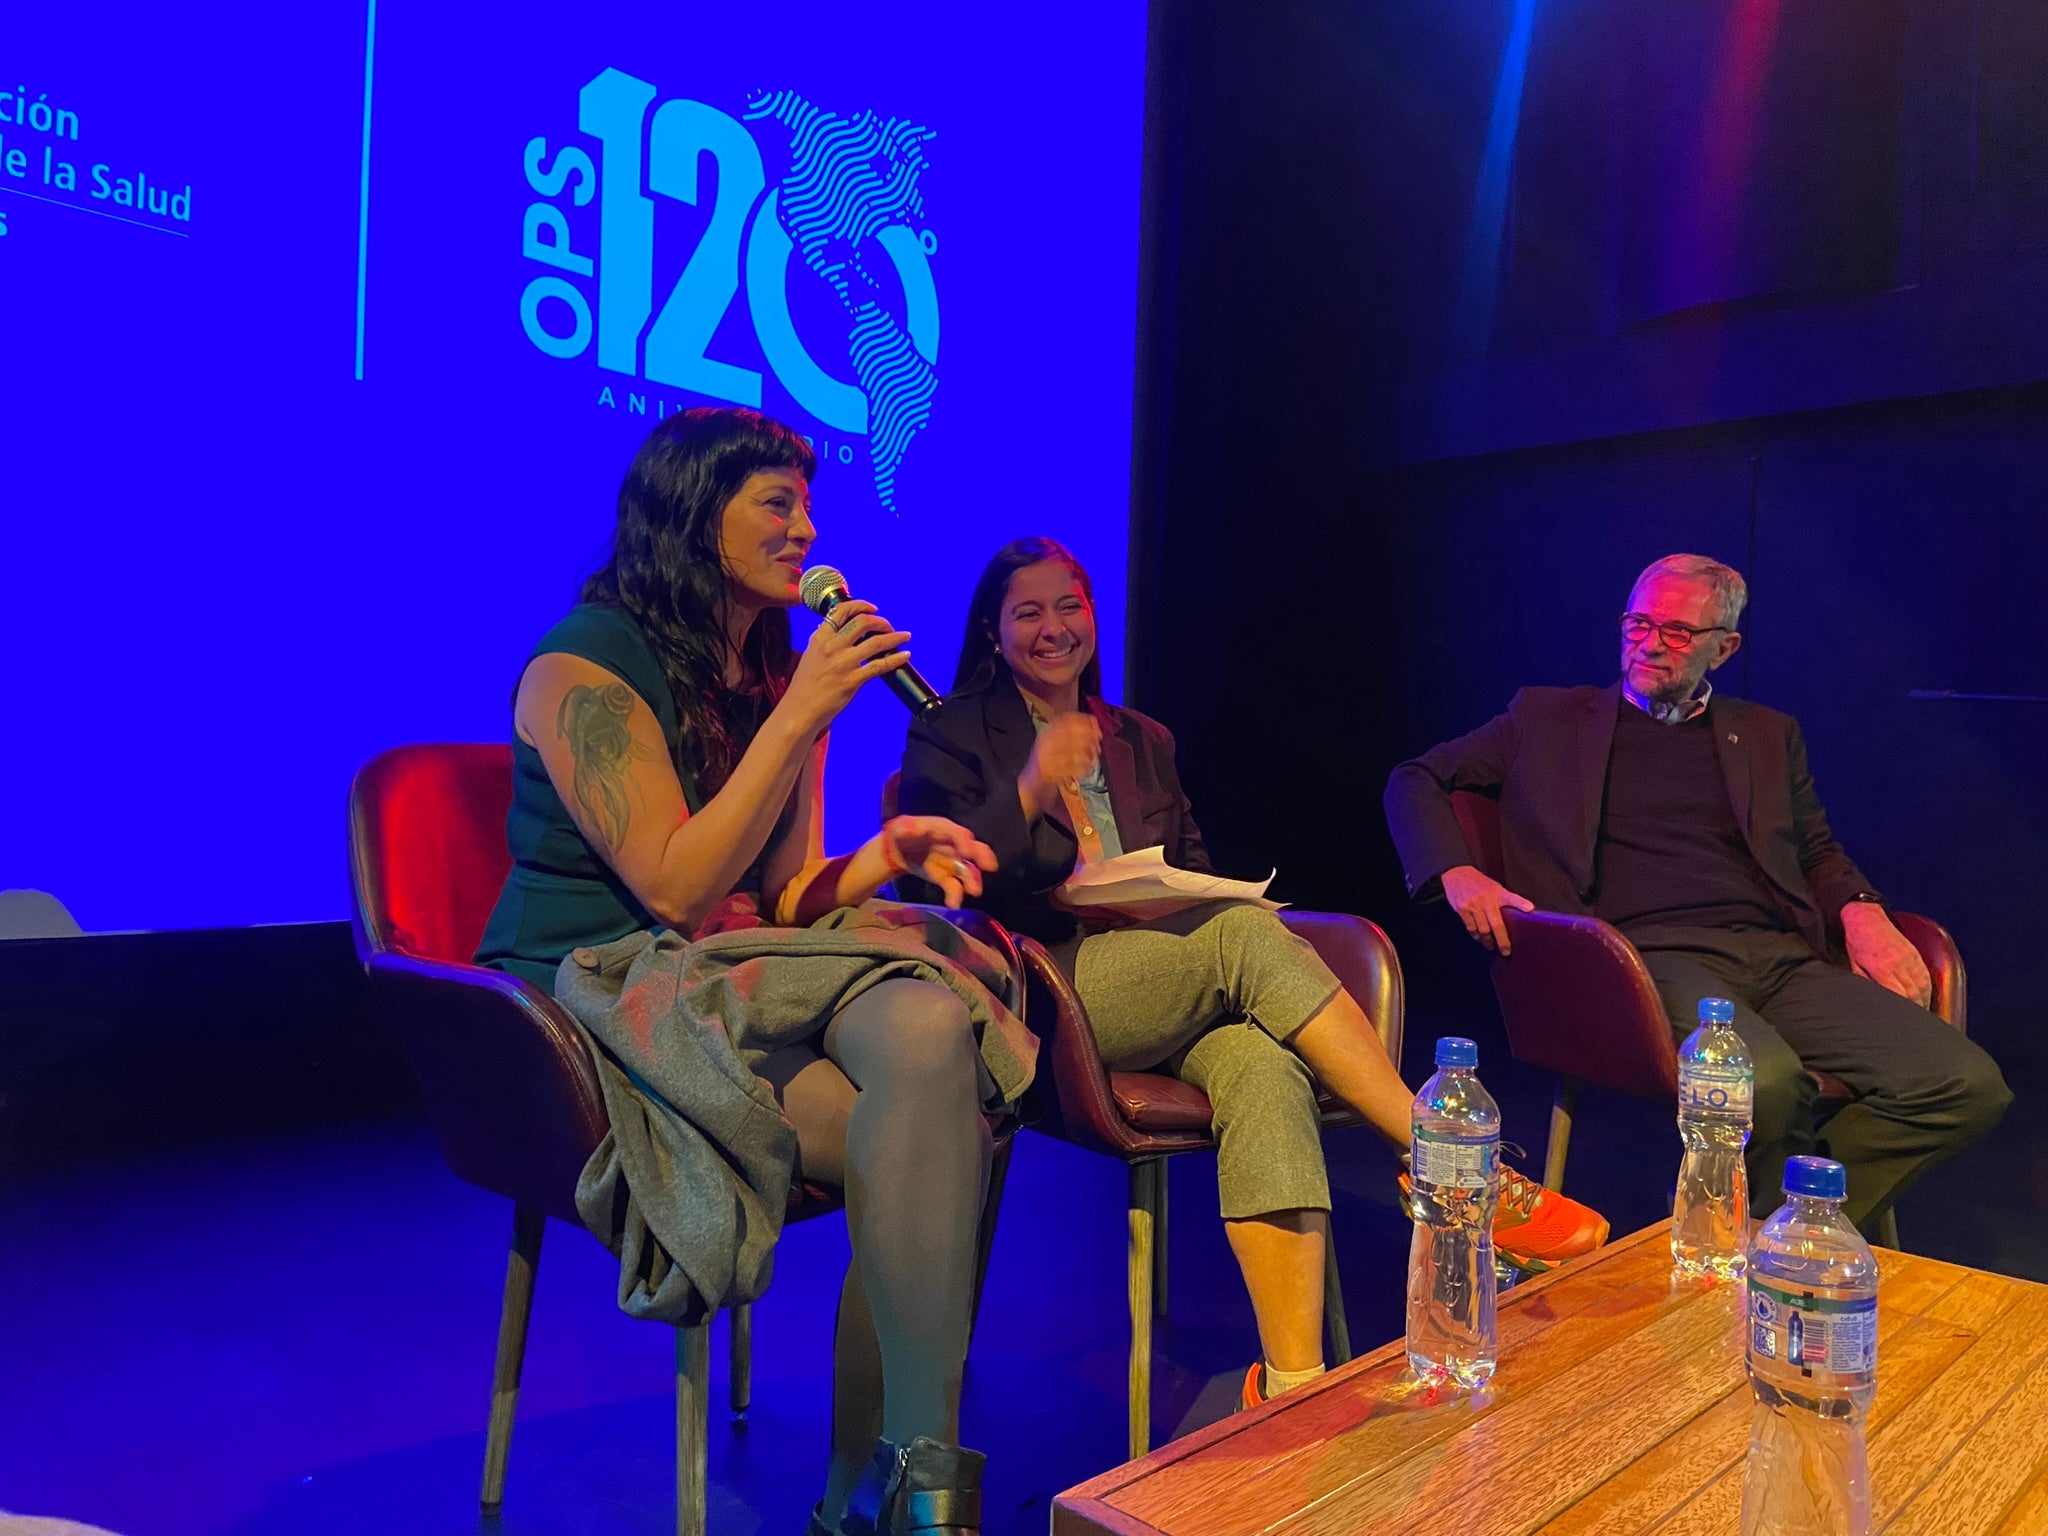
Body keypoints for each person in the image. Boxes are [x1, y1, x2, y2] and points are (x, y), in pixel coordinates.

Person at [898, 537, 1608, 1409]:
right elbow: (932, 880)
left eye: (1070, 607)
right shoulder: (953, 728)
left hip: (1165, 974)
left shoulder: (1143, 740)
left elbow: (1192, 863)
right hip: (1047, 995)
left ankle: (1292, 1385)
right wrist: (1034, 787)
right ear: (993, 631)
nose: (1055, 629)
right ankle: (1446, 1160)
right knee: (1239, 937)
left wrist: (1171, 894)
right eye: (1029, 612)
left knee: (1263, 1068)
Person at [475, 408, 1022, 1536]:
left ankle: (888, 1489)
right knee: (940, 1091)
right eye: (776, 505)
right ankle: (916, 1497)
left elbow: (778, 893)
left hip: (724, 972)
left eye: (805, 506)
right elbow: (673, 888)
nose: (804, 530)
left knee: (928, 1038)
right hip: (598, 996)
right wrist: (804, 713)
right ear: (691, 514)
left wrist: (885, 854)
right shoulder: (580, 668)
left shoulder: (768, 666)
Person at [1383, 552, 2012, 1231]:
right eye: (1639, 622)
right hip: (1645, 960)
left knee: (1964, 1086)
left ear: (1725, 647)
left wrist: (1864, 913)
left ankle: (1775, 1229)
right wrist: (1457, 871)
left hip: (1781, 956)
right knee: (1763, 1087)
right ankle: (1784, 1246)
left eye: (1678, 632)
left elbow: (1816, 850)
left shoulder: (1768, 735)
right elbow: (1417, 778)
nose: (1651, 643)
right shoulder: (1547, 718)